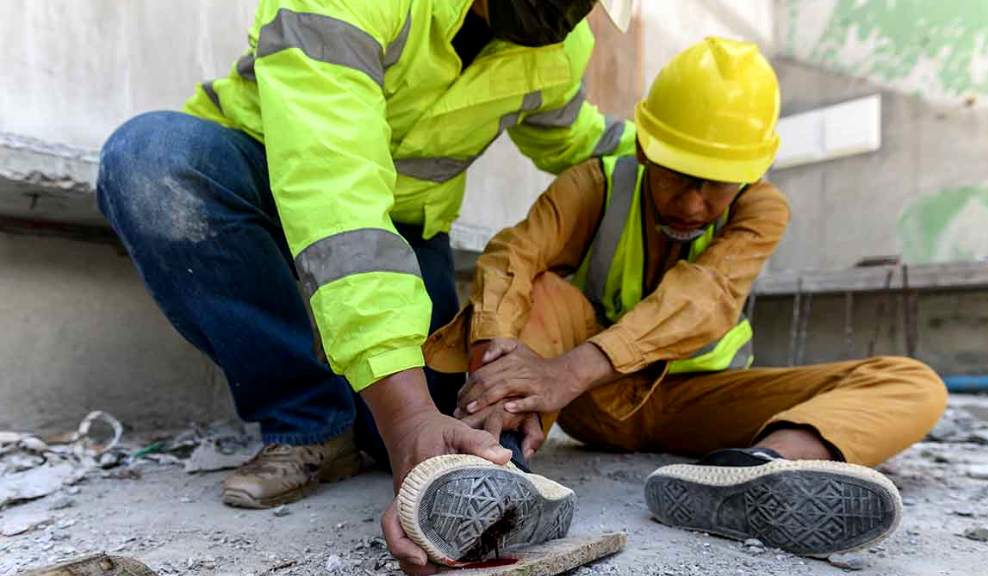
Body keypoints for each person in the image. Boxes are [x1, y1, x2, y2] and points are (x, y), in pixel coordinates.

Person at [95, 0, 634, 571]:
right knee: (153, 164)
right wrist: (405, 416)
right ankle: (309, 422)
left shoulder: (559, 42)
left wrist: (687, 161)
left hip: (404, 226)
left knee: (431, 426)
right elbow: (334, 188)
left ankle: (371, 431)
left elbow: (574, 137)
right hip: (266, 174)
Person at [425, 37, 949, 558]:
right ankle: (498, 465)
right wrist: (494, 369)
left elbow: (703, 295)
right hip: (583, 402)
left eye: (717, 184)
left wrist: (568, 370)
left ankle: (757, 471)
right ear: (645, 147)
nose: (694, 204)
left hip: (694, 401)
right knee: (533, 288)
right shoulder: (594, 185)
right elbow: (510, 258)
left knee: (912, 381)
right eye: (678, 175)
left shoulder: (761, 209)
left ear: (750, 173)